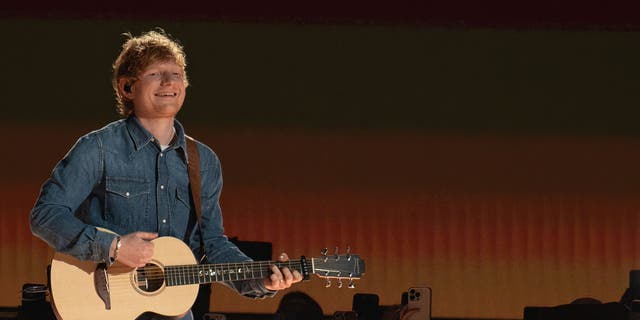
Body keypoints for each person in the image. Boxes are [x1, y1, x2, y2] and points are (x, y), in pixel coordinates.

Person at [30, 29, 303, 320]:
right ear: (127, 88)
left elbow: (211, 245)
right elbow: (45, 215)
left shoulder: (204, 162)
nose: (169, 82)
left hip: (172, 310)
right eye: (156, 74)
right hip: (100, 306)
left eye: (176, 74)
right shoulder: (97, 148)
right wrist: (114, 247)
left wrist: (260, 280)